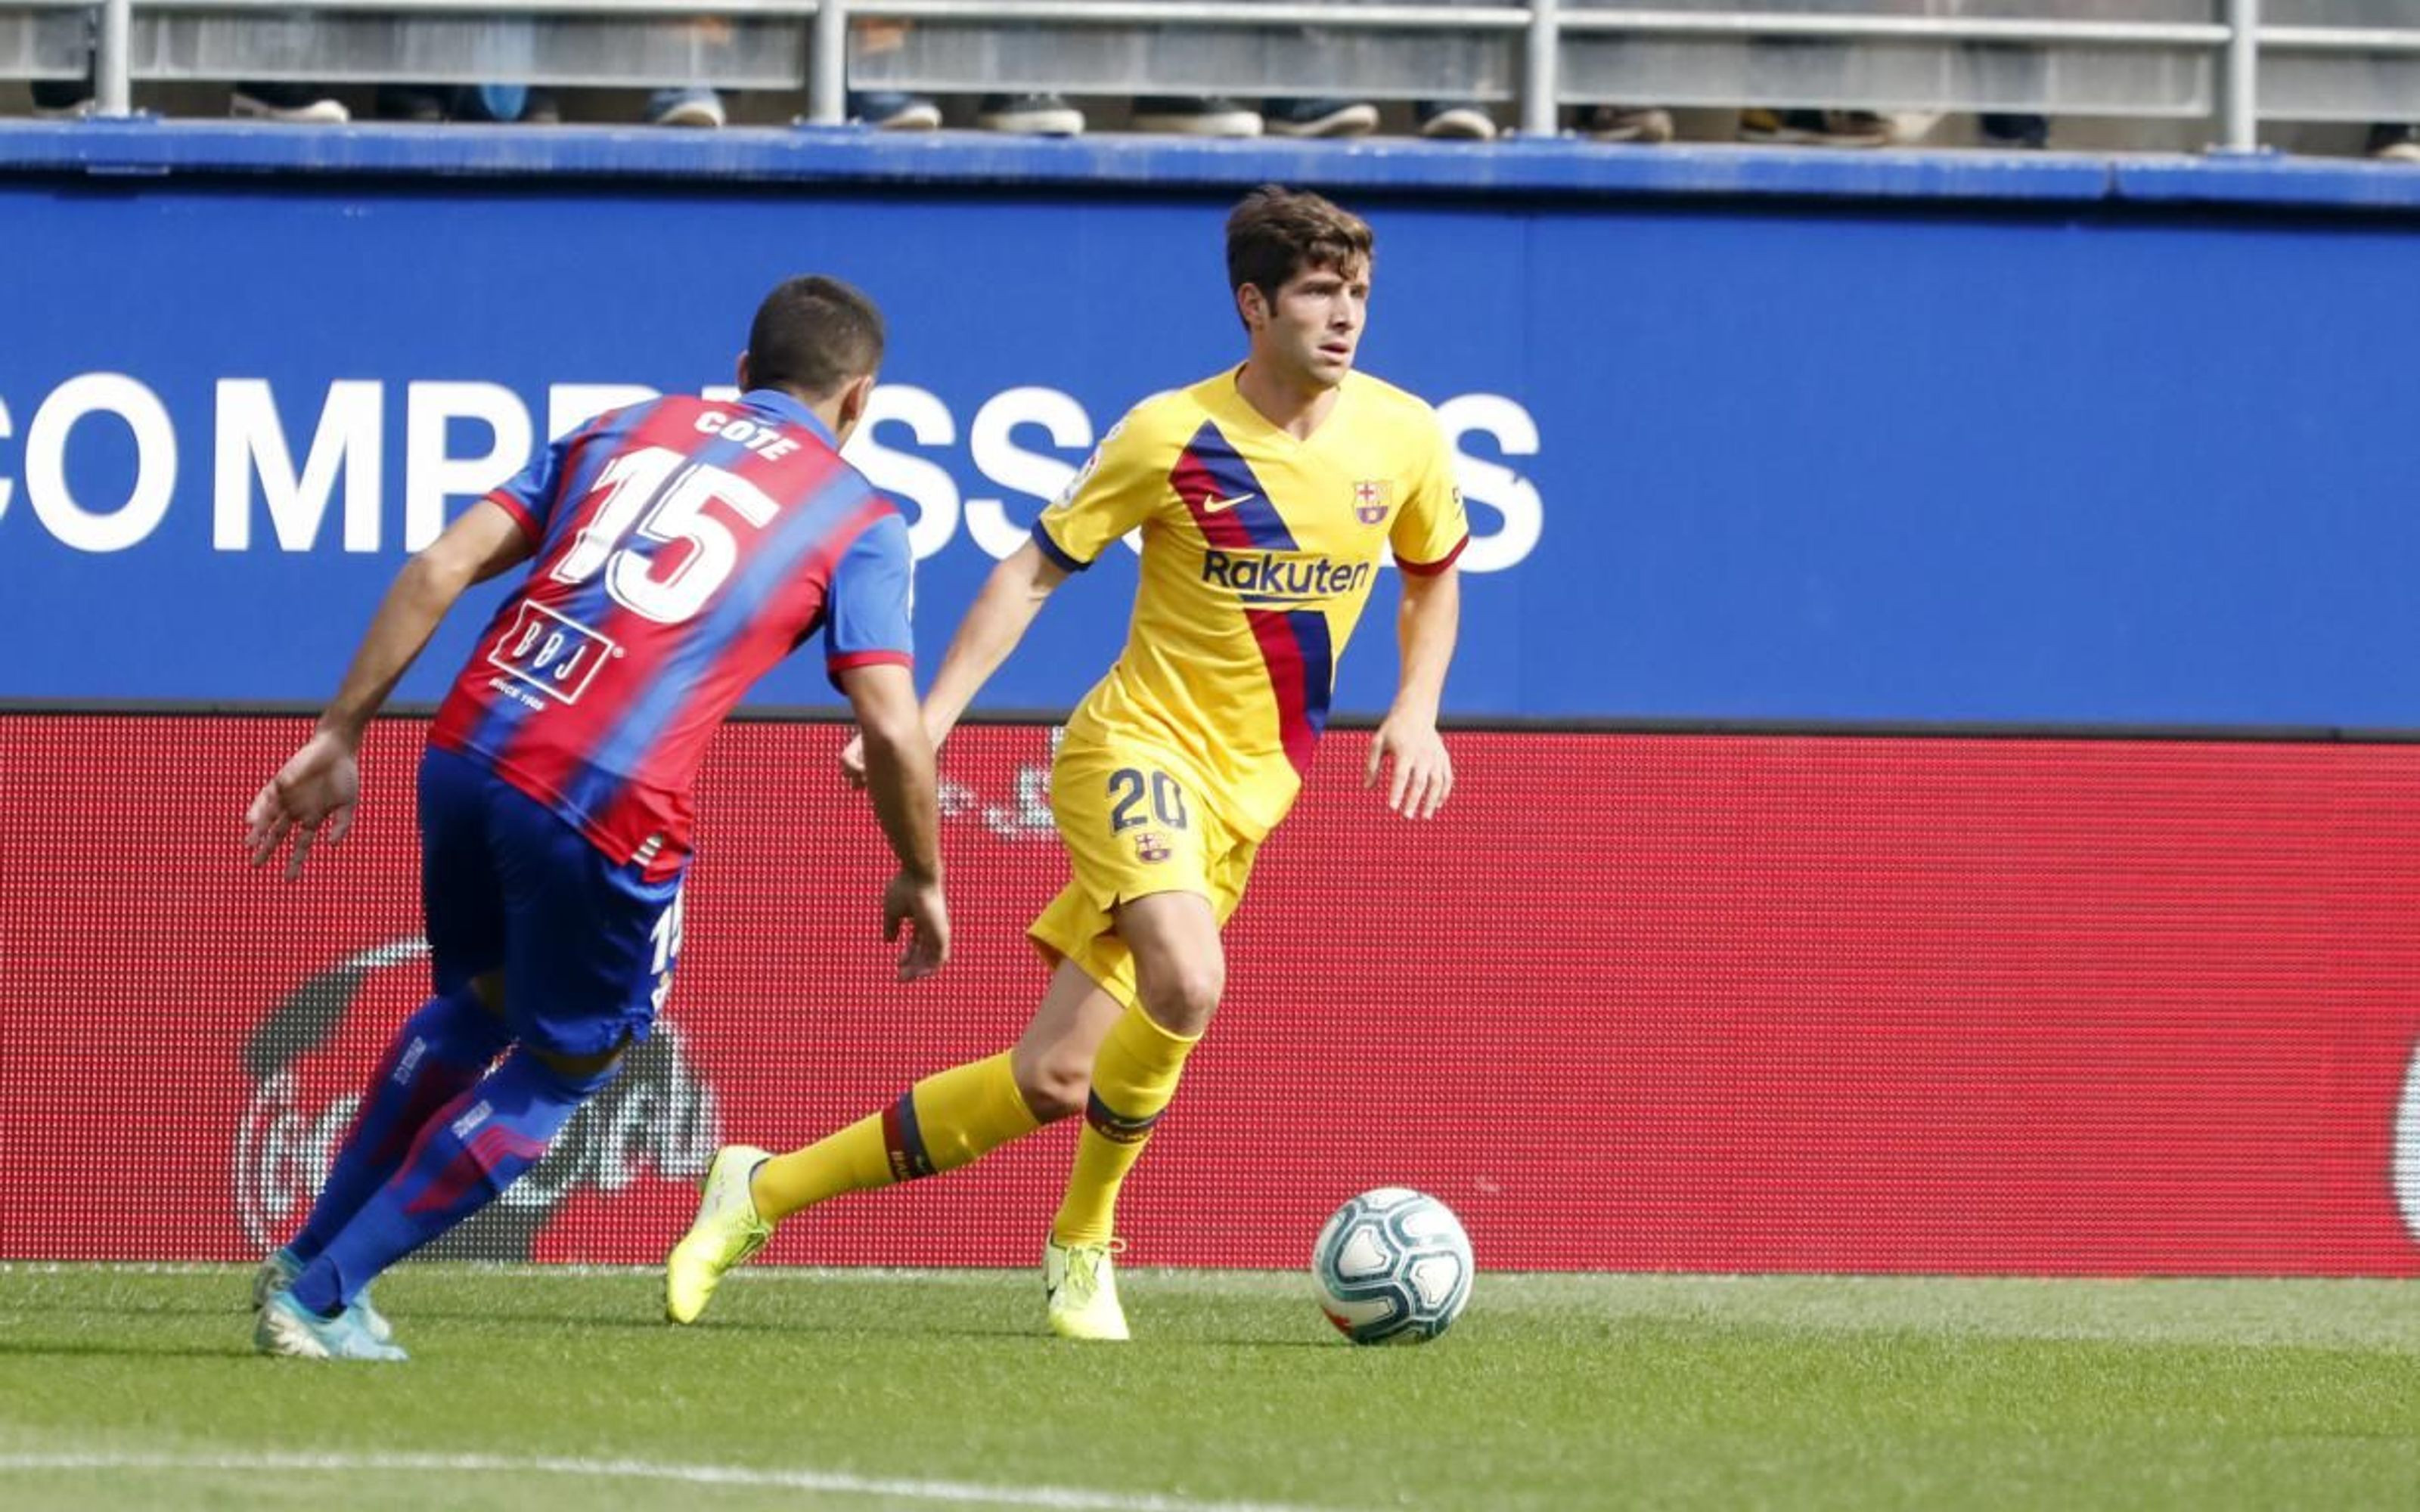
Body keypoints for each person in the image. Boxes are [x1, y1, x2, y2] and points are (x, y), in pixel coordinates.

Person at [666, 185, 1468, 1342]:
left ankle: (760, 1188)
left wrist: (1418, 709)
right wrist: (930, 720)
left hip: (1249, 797)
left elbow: (1433, 571)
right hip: (1131, 753)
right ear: (1254, 304)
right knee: (1189, 982)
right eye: (1317, 294)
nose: (1344, 318)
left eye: (1357, 295)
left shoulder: (1404, 436)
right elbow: (1033, 571)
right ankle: (1083, 1247)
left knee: (1053, 1080)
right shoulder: (1171, 436)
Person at [242, 274, 948, 1361]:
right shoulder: (859, 517)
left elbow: (440, 565)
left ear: (745, 372)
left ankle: (306, 1257)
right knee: (564, 1065)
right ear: (860, 400)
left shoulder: (626, 424)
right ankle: (327, 1294)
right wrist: (921, 871)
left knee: (482, 1003)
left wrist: (339, 734)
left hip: (471, 743)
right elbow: (897, 732)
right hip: (603, 798)